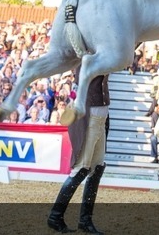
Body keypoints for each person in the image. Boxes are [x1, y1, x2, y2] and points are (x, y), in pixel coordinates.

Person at [47, 74, 109, 234]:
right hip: (91, 118)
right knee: (81, 169)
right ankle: (55, 216)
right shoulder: (89, 58)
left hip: (101, 119)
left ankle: (85, 220)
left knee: (97, 169)